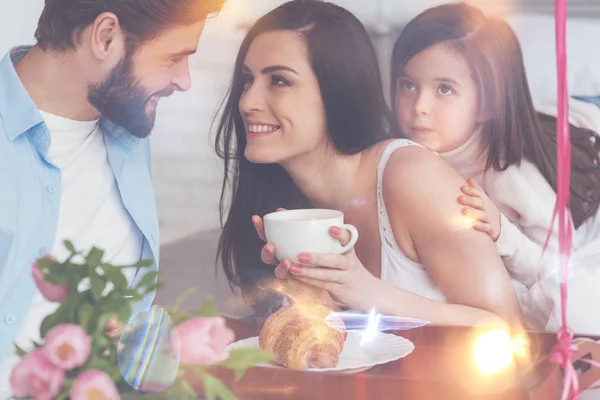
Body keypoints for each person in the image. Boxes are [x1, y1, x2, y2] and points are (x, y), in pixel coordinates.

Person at [215, 0, 524, 333]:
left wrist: (365, 291)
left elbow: (512, 330)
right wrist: (314, 298)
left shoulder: (410, 175)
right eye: (247, 80)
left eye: (279, 81)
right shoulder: (281, 209)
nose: (247, 102)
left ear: (338, 91)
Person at [0, 0, 224, 395]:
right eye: (174, 57)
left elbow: (131, 344)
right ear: (105, 36)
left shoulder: (128, 135)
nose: (184, 80)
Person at [389, 3, 600, 332]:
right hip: (542, 117)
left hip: (583, 125)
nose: (420, 107)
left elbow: (560, 269)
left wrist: (504, 233)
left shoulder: (512, 178)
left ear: (486, 104)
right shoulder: (400, 155)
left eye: (444, 89)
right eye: (408, 85)